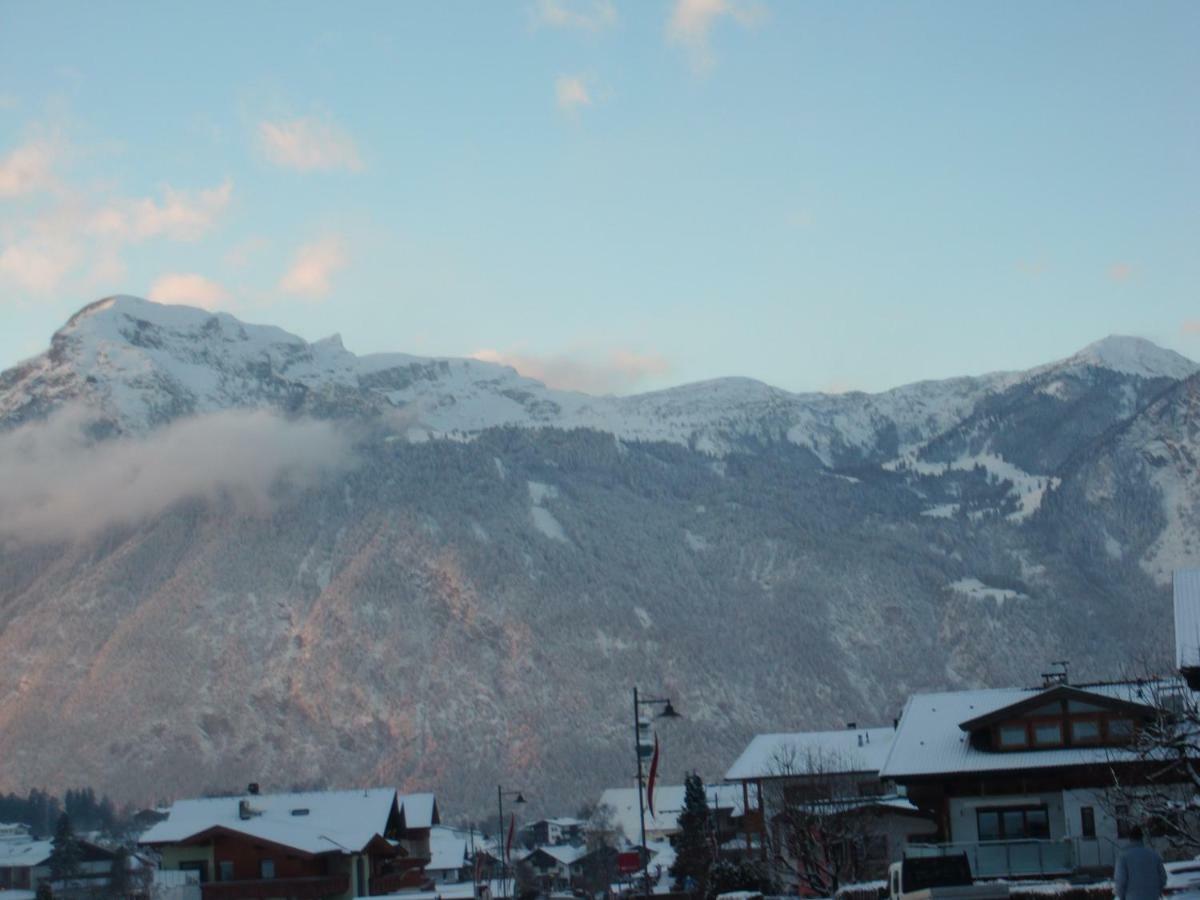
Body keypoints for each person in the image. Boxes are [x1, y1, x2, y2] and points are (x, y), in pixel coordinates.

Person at [1115, 826, 1168, 900]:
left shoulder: (1123, 857)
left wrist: (1121, 896)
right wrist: (1157, 891)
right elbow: (1163, 877)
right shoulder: (1154, 855)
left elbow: (1120, 881)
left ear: (1130, 838)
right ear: (1141, 838)